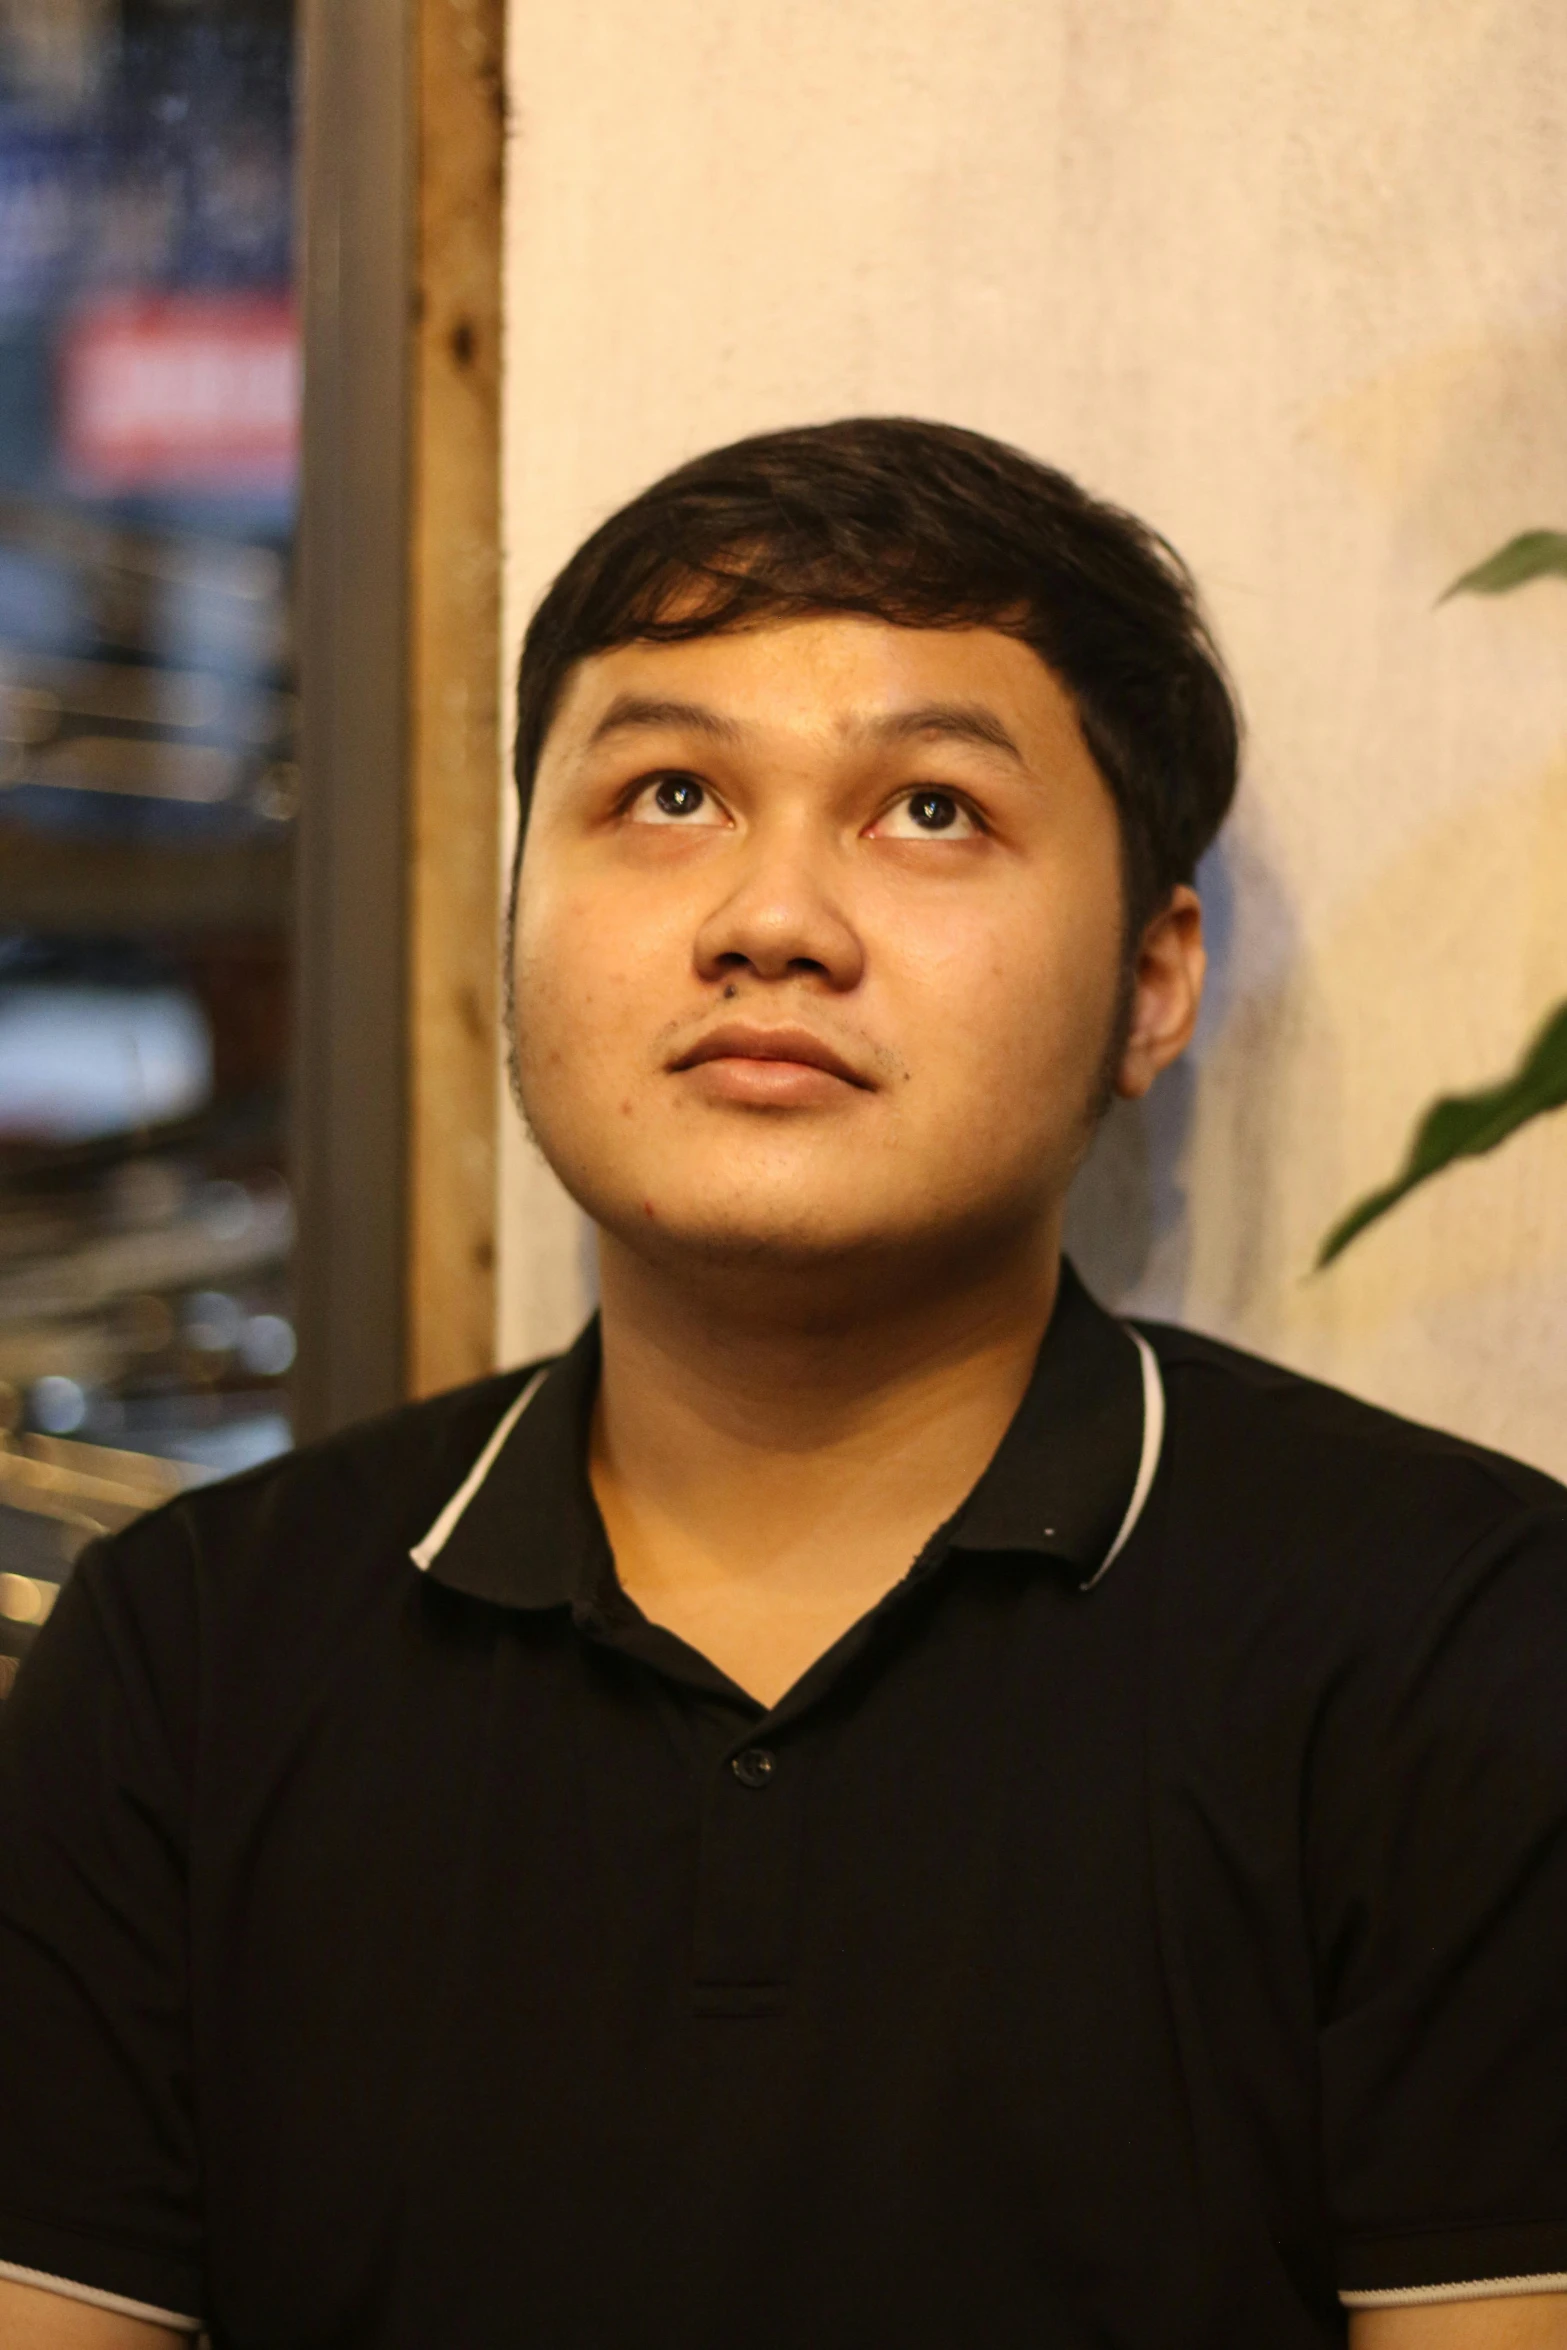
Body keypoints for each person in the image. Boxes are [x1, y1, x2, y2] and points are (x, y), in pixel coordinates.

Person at [1, 419, 1564, 2350]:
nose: (770, 921)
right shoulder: (191, 1655)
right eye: (667, 792)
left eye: (928, 812)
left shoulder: (1455, 1630)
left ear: (1151, 986)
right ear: (509, 918)